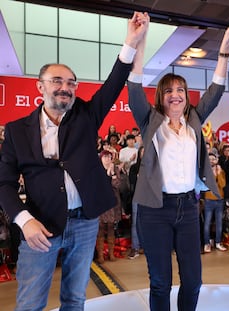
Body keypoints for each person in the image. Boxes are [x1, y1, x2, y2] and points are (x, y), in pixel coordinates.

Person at [0, 12, 147, 310]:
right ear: (39, 87)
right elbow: (3, 183)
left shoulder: (85, 117)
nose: (65, 87)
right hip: (39, 226)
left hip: (84, 223)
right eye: (56, 80)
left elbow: (114, 82)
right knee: (30, 303)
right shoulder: (17, 131)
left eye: (71, 82)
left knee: (75, 299)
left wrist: (131, 41)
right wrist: (24, 221)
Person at [127, 14, 229, 310]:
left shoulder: (194, 120)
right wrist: (141, 39)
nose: (175, 95)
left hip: (188, 208)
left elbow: (216, 89)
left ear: (187, 96)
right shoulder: (150, 121)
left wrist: (224, 49)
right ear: (161, 97)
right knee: (160, 282)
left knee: (193, 281)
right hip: (155, 211)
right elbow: (135, 86)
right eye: (169, 90)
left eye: (180, 90)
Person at [96, 150, 123, 264]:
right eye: (105, 157)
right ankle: (100, 255)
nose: (107, 159)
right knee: (100, 229)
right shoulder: (97, 170)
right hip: (101, 202)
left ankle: (111, 253)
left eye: (109, 156)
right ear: (101, 158)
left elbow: (117, 185)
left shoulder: (115, 169)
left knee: (111, 227)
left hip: (113, 202)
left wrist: (112, 173)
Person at [203, 152, 227, 253]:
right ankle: (207, 243)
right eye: (210, 159)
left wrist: (218, 174)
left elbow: (223, 184)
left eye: (214, 159)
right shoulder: (205, 171)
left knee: (219, 223)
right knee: (207, 223)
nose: (212, 160)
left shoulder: (220, 170)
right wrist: (212, 175)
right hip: (209, 200)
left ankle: (218, 242)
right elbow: (205, 185)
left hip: (219, 200)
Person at [127, 145, 144, 259]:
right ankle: (135, 247)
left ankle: (148, 246)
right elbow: (131, 181)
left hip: (150, 197)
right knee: (135, 222)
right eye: (142, 152)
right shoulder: (134, 167)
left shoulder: (153, 166)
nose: (144, 154)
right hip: (137, 196)